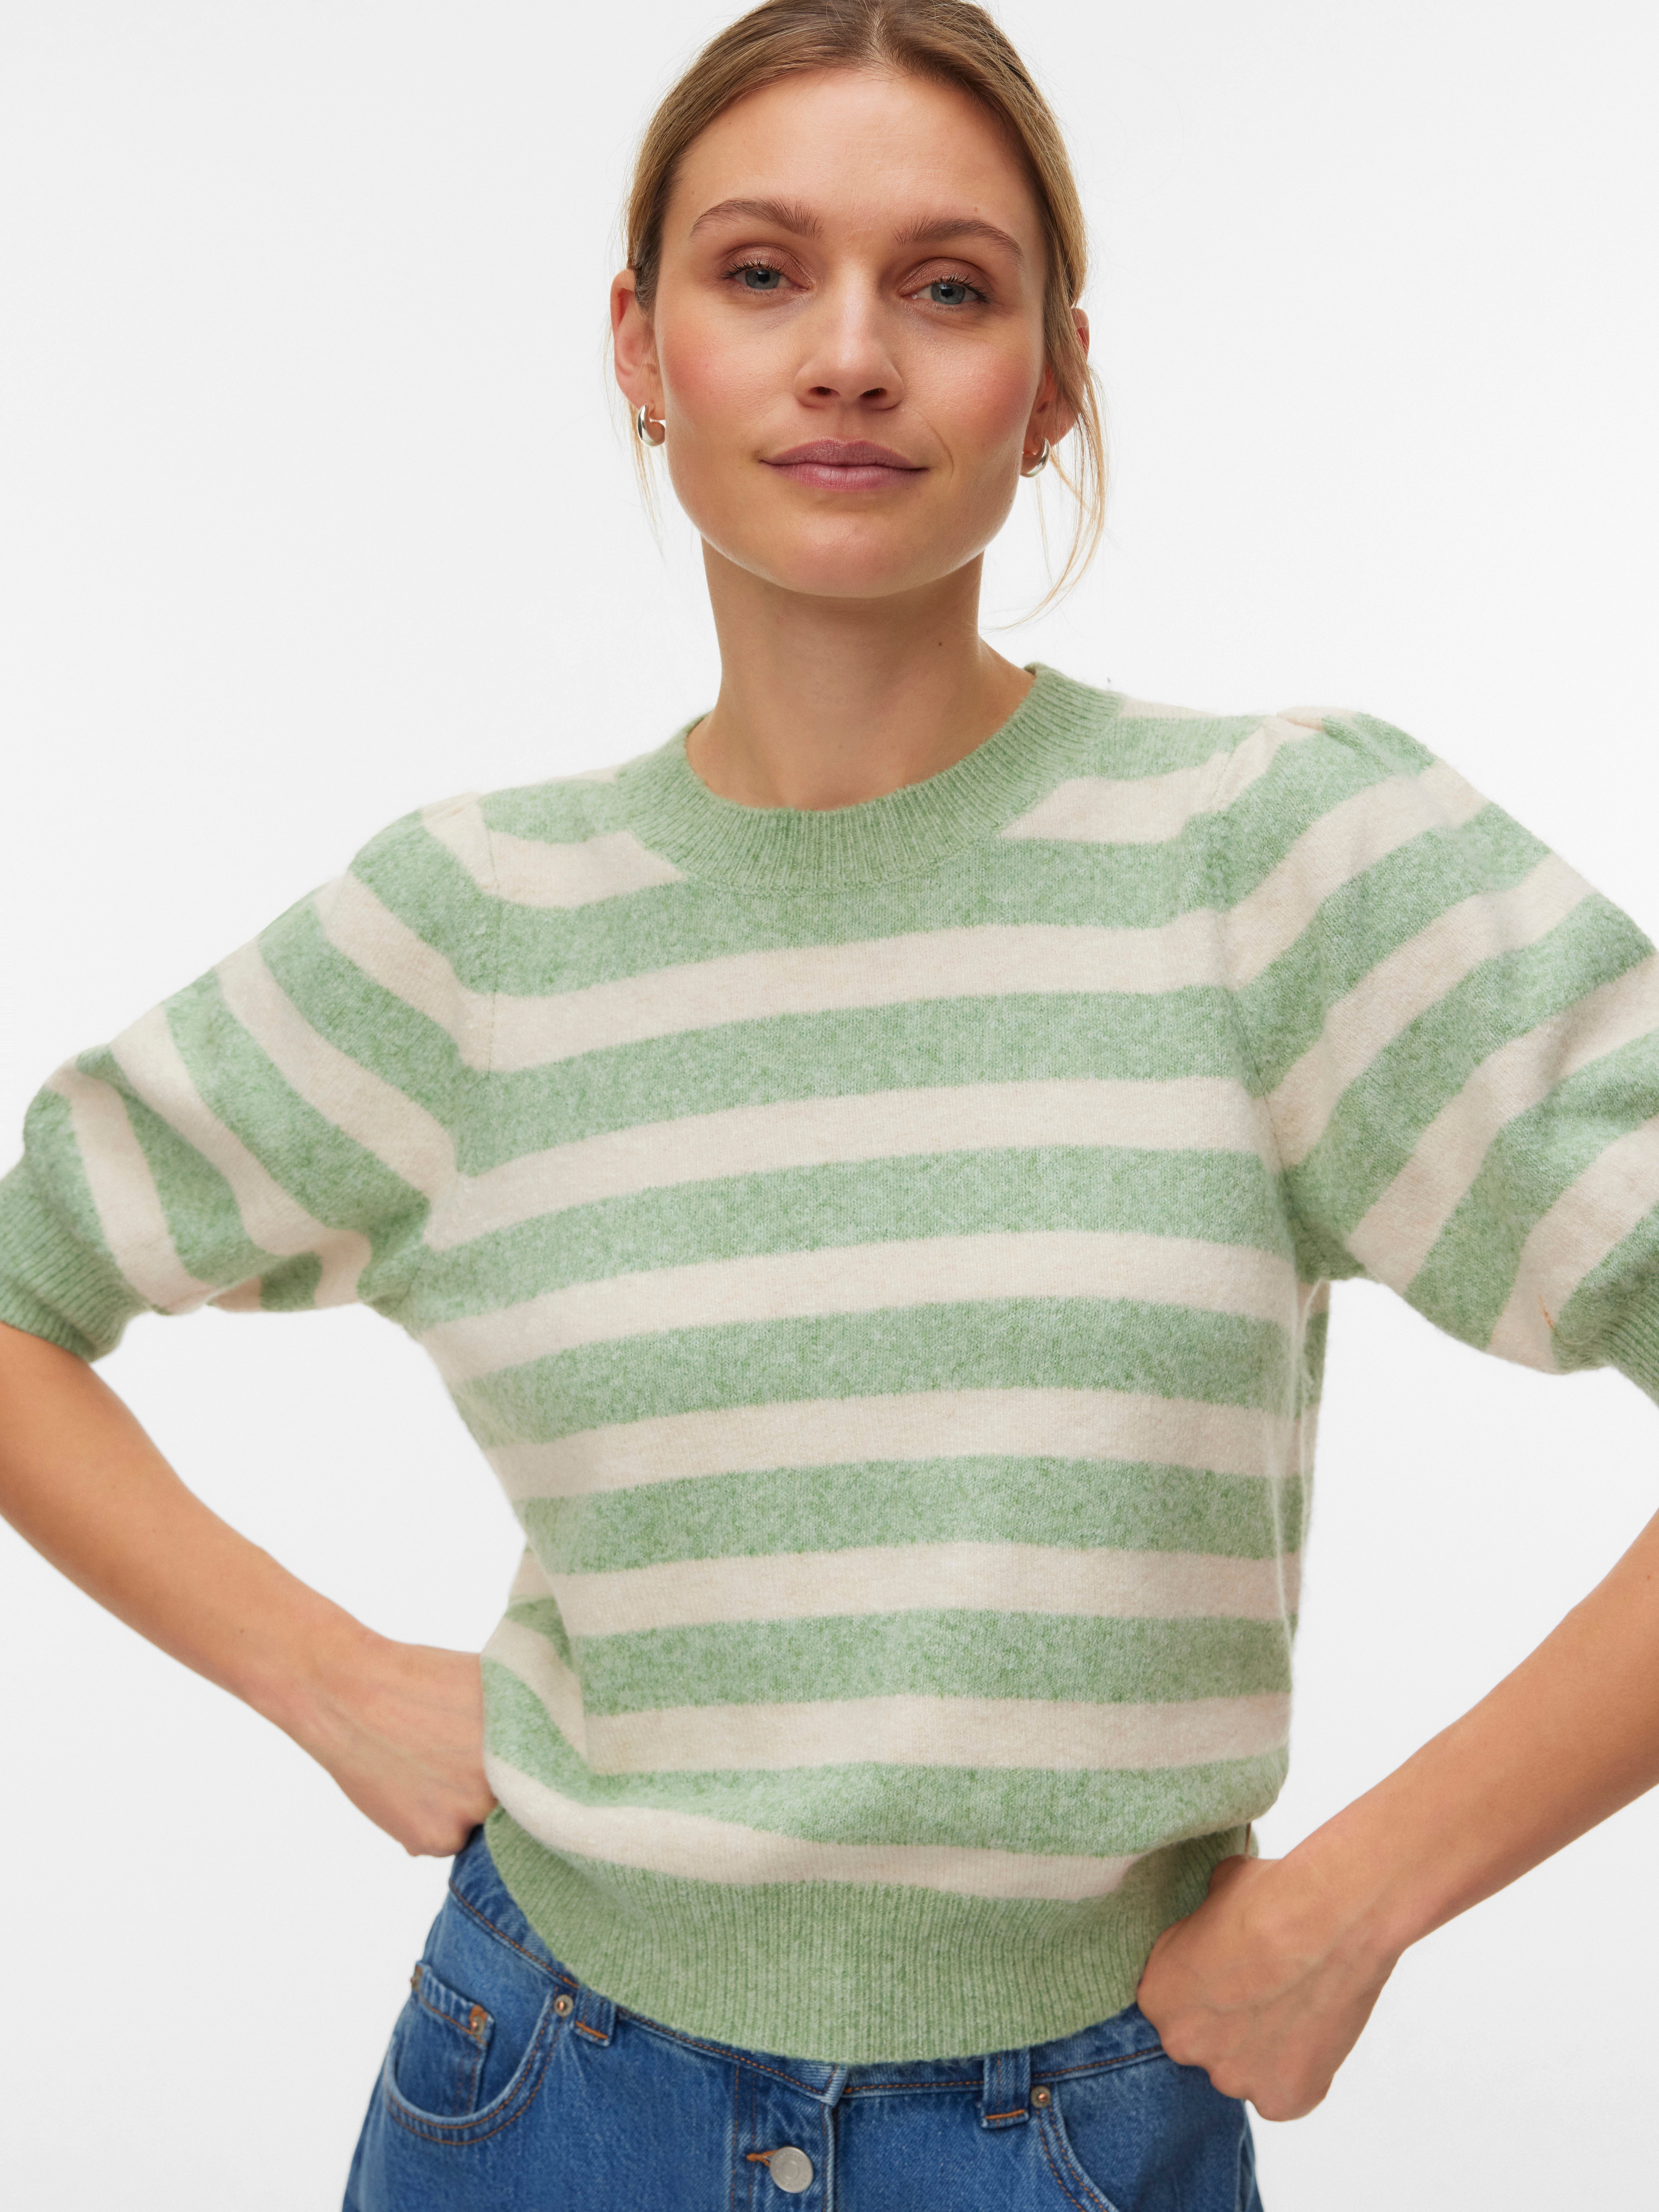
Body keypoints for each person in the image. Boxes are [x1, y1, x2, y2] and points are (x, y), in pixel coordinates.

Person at [2, 2, 1657, 2205]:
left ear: (1053, 381)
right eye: (763, 272)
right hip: (543, 2098)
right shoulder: (474, 926)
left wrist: (1362, 1901)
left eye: (948, 288)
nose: (852, 357)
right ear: (642, 348)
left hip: (1076, 2130)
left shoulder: (1272, 864)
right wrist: (318, 1677)